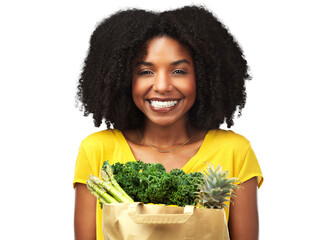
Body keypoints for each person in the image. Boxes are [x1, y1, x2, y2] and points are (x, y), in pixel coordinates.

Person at [73, 5, 263, 240]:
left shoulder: (235, 152)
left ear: (204, 77)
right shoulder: (96, 151)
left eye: (179, 71)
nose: (162, 86)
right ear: (122, 79)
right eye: (145, 72)